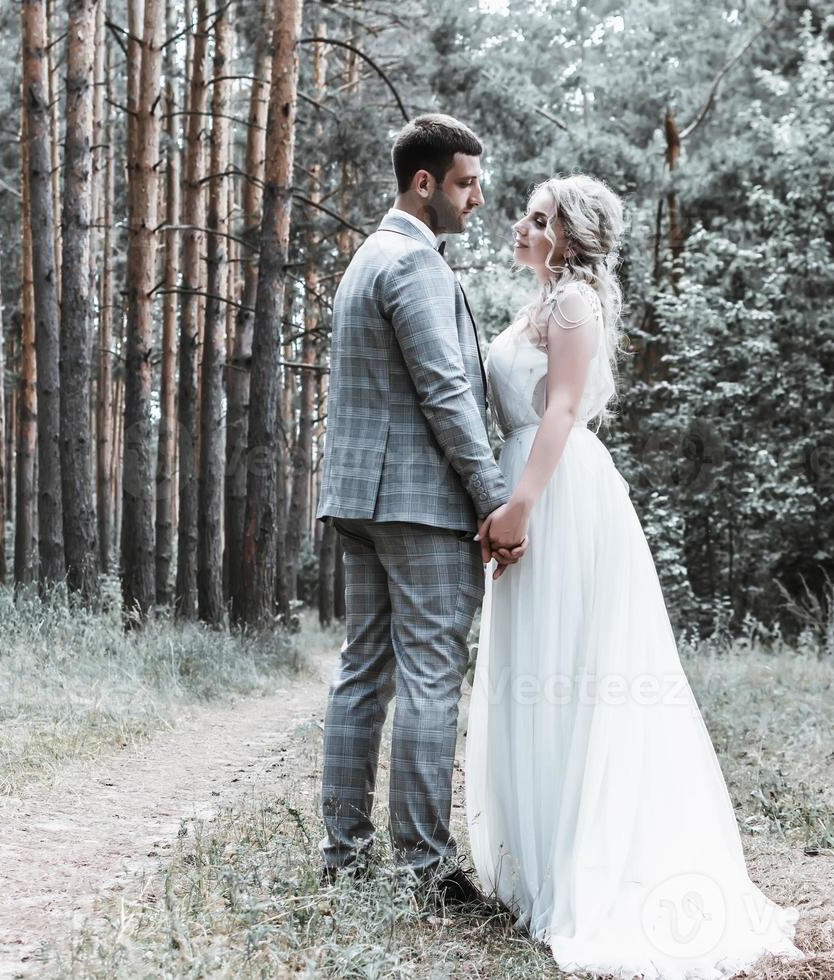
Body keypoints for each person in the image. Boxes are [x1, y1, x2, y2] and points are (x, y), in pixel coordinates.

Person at [464, 173, 805, 977]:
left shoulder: (573, 305)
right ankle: (540, 859)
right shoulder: (535, 305)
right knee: (534, 669)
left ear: (571, 239)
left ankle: (593, 864)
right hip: (527, 479)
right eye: (528, 212)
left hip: (558, 492)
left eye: (540, 218)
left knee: (573, 673)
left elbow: (561, 410)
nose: (521, 222)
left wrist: (520, 506)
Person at [314, 113, 523, 914]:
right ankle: (425, 872)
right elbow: (447, 394)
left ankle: (344, 855)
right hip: (420, 506)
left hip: (359, 500)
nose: (479, 198)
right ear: (424, 182)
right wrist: (494, 500)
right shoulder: (417, 264)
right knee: (432, 676)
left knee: (362, 672)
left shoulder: (366, 259)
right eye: (467, 183)